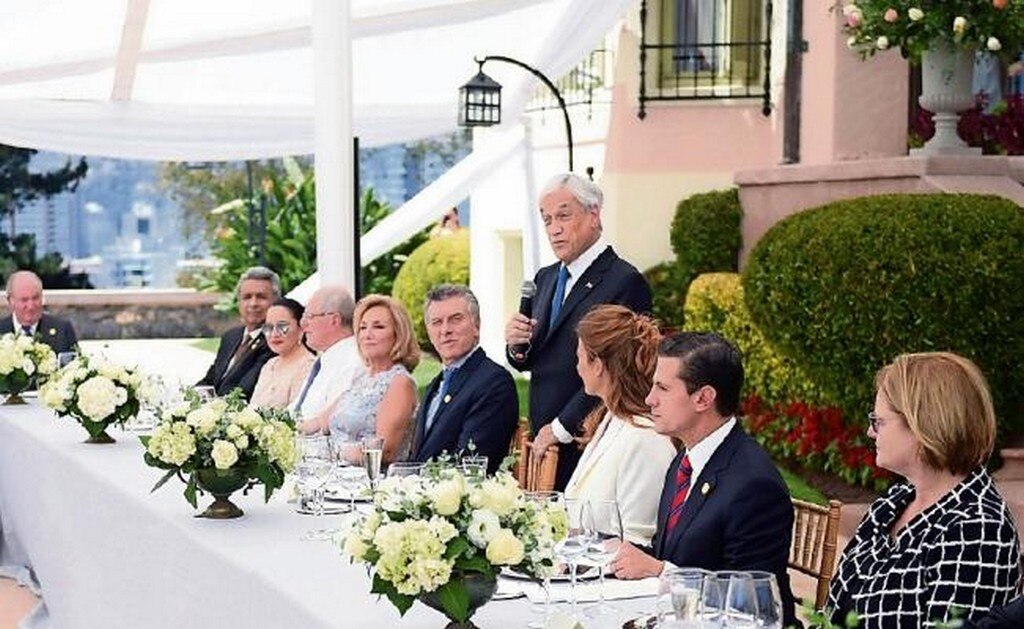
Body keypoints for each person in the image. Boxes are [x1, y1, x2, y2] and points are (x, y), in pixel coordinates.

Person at [610, 332, 798, 628]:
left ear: (703, 398)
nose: (649, 400)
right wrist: (624, 553)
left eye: (662, 388)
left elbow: (752, 605)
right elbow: (673, 552)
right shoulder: (684, 460)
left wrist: (661, 572)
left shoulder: (754, 486)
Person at [827, 352, 1021, 628]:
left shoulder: (978, 530)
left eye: (878, 421)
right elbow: (833, 614)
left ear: (923, 426)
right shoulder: (894, 502)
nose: (871, 432)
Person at [504, 173, 652, 490]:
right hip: (545, 436)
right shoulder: (544, 278)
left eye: (563, 216)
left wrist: (561, 427)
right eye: (546, 220)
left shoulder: (624, 281)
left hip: (588, 436)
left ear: (594, 214)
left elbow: (618, 371)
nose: (553, 229)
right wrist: (516, 344)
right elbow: (531, 360)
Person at [564, 305, 675, 546]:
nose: (577, 367)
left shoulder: (646, 439)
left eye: (580, 357)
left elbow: (637, 543)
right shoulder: (610, 419)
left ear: (598, 365)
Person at [411, 285, 518, 474]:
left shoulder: (494, 382)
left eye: (455, 319)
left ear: (477, 325)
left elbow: (471, 463)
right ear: (429, 332)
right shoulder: (435, 385)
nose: (445, 330)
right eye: (437, 322)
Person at [305, 295, 418, 466]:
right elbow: (319, 423)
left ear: (398, 334)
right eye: (363, 328)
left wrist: (331, 452)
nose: (367, 334)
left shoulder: (400, 383)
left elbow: (384, 451)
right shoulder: (362, 379)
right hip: (334, 474)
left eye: (378, 327)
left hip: (371, 483)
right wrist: (272, 431)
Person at [197, 266, 278, 400]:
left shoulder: (275, 339)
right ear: (239, 302)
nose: (253, 303)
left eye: (261, 297)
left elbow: (246, 390)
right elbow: (210, 379)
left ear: (275, 301)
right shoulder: (231, 337)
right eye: (247, 297)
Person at [291, 284, 365, 427]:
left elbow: (332, 424)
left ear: (334, 320)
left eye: (309, 317)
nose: (303, 324)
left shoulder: (353, 362)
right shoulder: (326, 361)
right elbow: (297, 410)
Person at [249, 298, 316, 410]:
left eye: (282, 326)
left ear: (301, 328)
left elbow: (297, 417)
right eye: (269, 327)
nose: (274, 334)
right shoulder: (269, 364)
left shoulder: (308, 366)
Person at [0, 270, 77, 354]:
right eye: (24, 300)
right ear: (10, 301)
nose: (31, 306)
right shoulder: (2, 330)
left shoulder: (62, 330)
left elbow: (76, 364)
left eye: (35, 298)